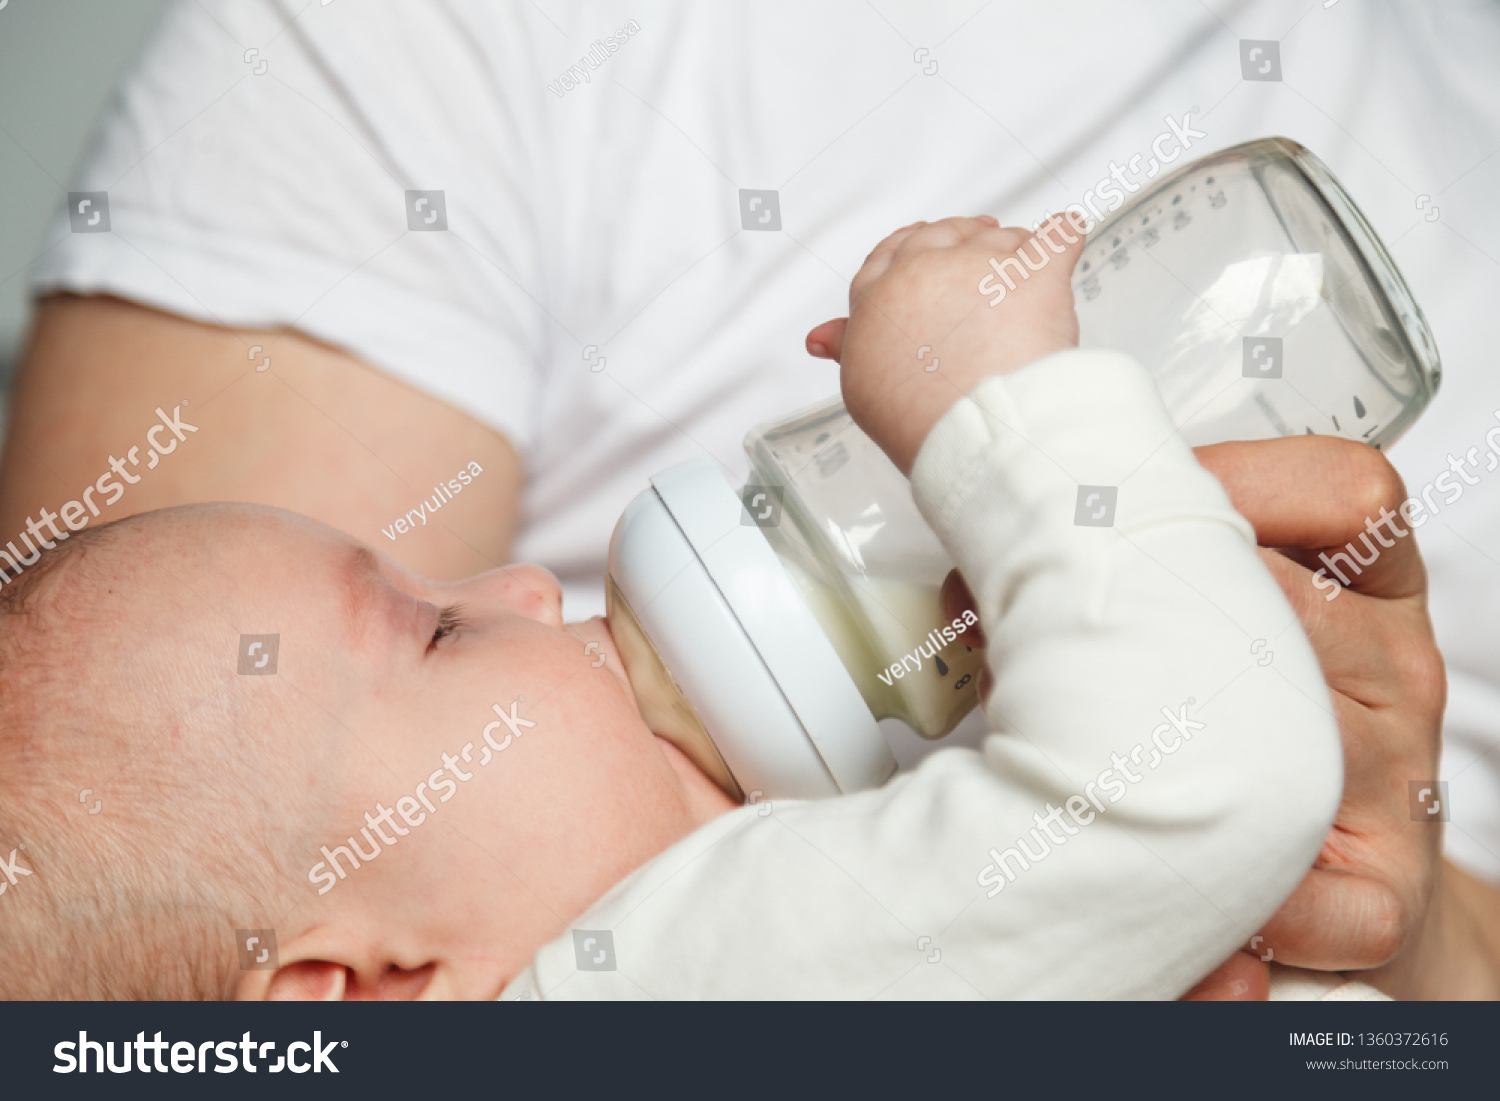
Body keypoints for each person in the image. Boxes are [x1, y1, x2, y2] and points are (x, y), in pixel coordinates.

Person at [4, 0, 1498, 995]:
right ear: (354, 992)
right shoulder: (655, 974)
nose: (533, 584)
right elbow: (1199, 785)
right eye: (438, 635)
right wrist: (998, 406)